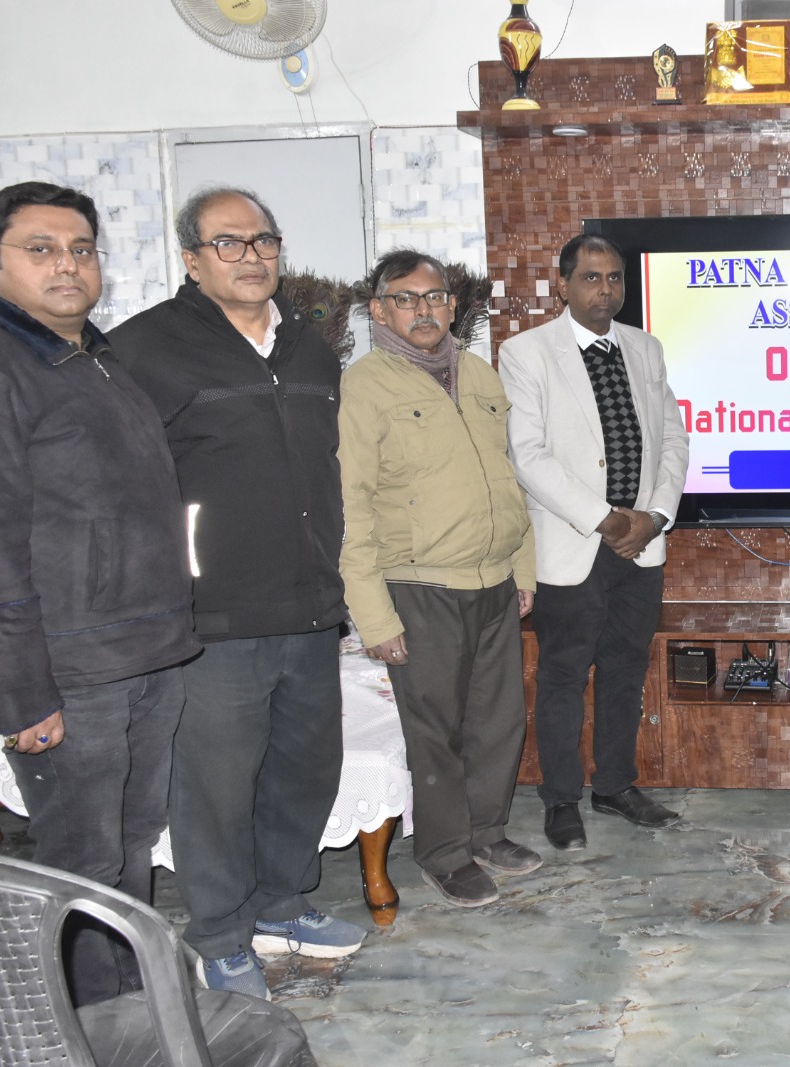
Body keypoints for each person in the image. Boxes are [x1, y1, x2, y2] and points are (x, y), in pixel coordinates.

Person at [0, 182, 200, 1004]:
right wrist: (22, 694)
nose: (67, 265)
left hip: (145, 650)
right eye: (41, 249)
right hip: (71, 668)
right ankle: (88, 1024)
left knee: (131, 839)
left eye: (81, 249)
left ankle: (132, 998)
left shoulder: (91, 355)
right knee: (81, 860)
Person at [109, 187, 364, 999]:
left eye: (263, 240)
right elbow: (116, 486)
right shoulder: (143, 348)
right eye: (228, 242)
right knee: (214, 788)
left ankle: (283, 904)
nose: (251, 256)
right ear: (191, 258)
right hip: (209, 618)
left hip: (310, 606)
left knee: (304, 770)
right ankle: (220, 935)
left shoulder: (310, 348)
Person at [337, 249, 541, 908]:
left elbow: (507, 477)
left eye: (434, 297)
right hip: (419, 584)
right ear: (379, 310)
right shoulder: (364, 387)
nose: (422, 310)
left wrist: (522, 567)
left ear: (453, 307)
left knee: (498, 721)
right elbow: (350, 505)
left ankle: (487, 832)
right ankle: (445, 853)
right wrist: (373, 614)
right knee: (437, 731)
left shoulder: (478, 373)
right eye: (405, 298)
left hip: (493, 580)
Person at [498, 234, 690, 852]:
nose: (604, 289)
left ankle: (614, 785)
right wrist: (607, 520)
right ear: (563, 284)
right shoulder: (526, 353)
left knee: (626, 671)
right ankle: (561, 799)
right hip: (574, 543)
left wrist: (655, 516)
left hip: (642, 546)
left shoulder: (645, 347)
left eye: (614, 278)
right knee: (562, 676)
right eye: (590, 277)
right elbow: (528, 455)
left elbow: (673, 440)